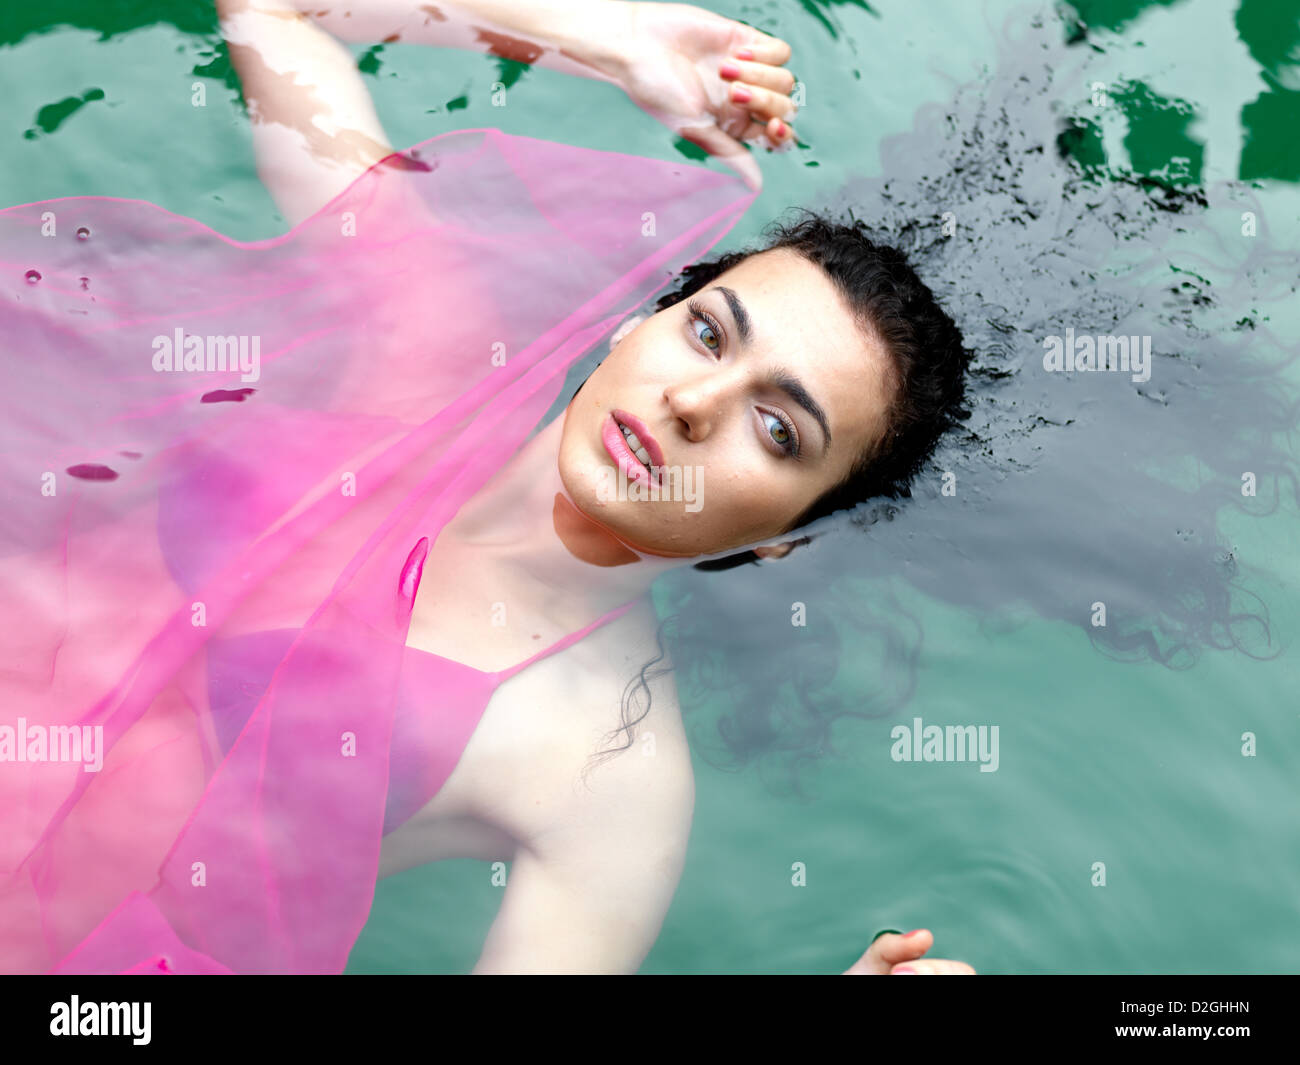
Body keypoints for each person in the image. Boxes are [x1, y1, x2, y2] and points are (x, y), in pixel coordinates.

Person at [0, 0, 973, 975]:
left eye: (776, 428)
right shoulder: (426, 340)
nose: (693, 401)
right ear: (642, 316)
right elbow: (276, 10)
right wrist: (612, 45)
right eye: (708, 332)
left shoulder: (603, 768)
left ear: (785, 538)